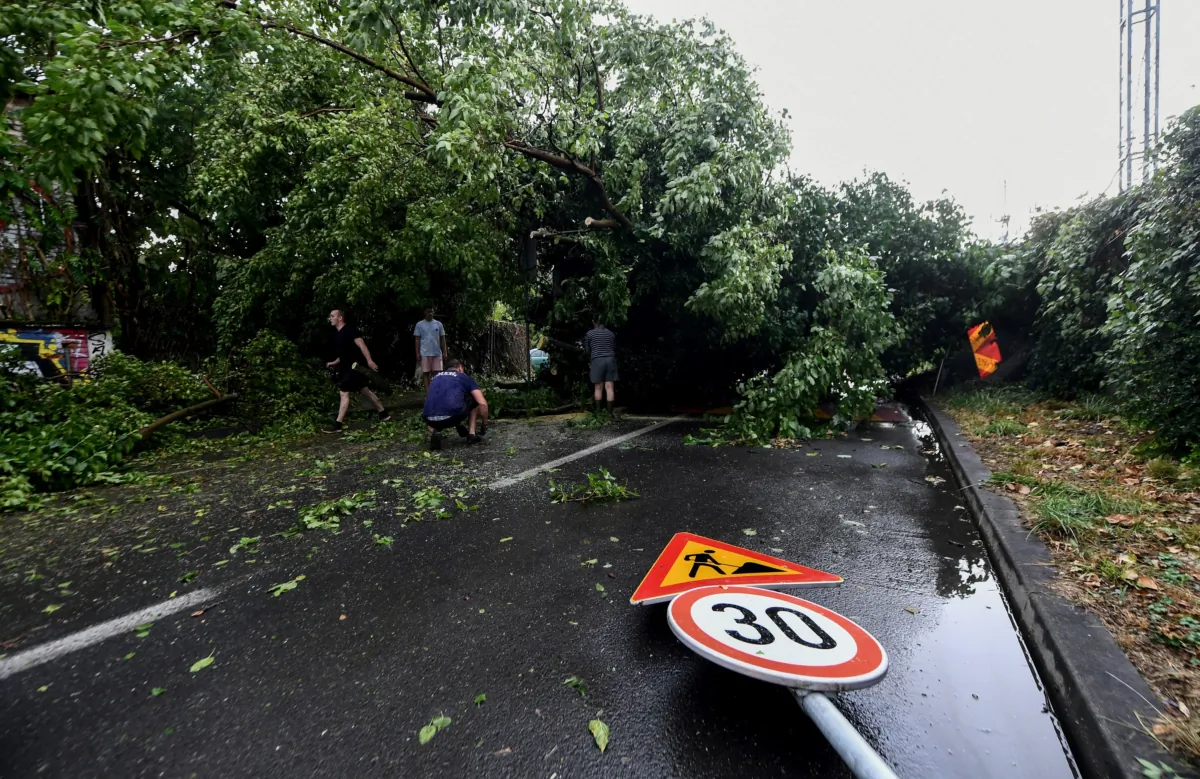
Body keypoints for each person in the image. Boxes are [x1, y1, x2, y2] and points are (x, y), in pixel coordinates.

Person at [323, 309, 390, 433]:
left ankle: (338, 424)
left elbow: (362, 346)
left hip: (354, 367)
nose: (330, 318)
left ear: (340, 318)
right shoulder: (337, 334)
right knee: (365, 390)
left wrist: (369, 361)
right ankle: (384, 413)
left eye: (332, 316)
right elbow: (344, 353)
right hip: (345, 367)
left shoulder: (351, 330)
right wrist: (334, 362)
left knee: (344, 393)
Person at [422, 359, 488, 450]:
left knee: (437, 404)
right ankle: (472, 434)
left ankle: (434, 430)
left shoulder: (435, 377)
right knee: (473, 398)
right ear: (460, 368)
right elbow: (482, 403)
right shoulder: (464, 377)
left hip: (428, 417)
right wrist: (484, 425)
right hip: (453, 415)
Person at [584, 318, 617, 416]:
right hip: (610, 360)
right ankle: (610, 413)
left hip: (597, 360)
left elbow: (587, 350)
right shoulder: (611, 334)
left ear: (594, 323)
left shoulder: (590, 334)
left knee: (598, 387)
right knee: (610, 387)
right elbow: (614, 347)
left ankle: (598, 413)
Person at [413, 308, 448, 390]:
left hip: (436, 352)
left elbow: (443, 338)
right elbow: (417, 339)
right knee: (426, 373)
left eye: (431, 311)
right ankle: (428, 392)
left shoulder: (438, 324)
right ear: (425, 312)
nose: (430, 313)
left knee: (437, 373)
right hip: (424, 352)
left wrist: (445, 352)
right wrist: (417, 353)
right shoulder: (419, 324)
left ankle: (436, 390)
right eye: (428, 312)